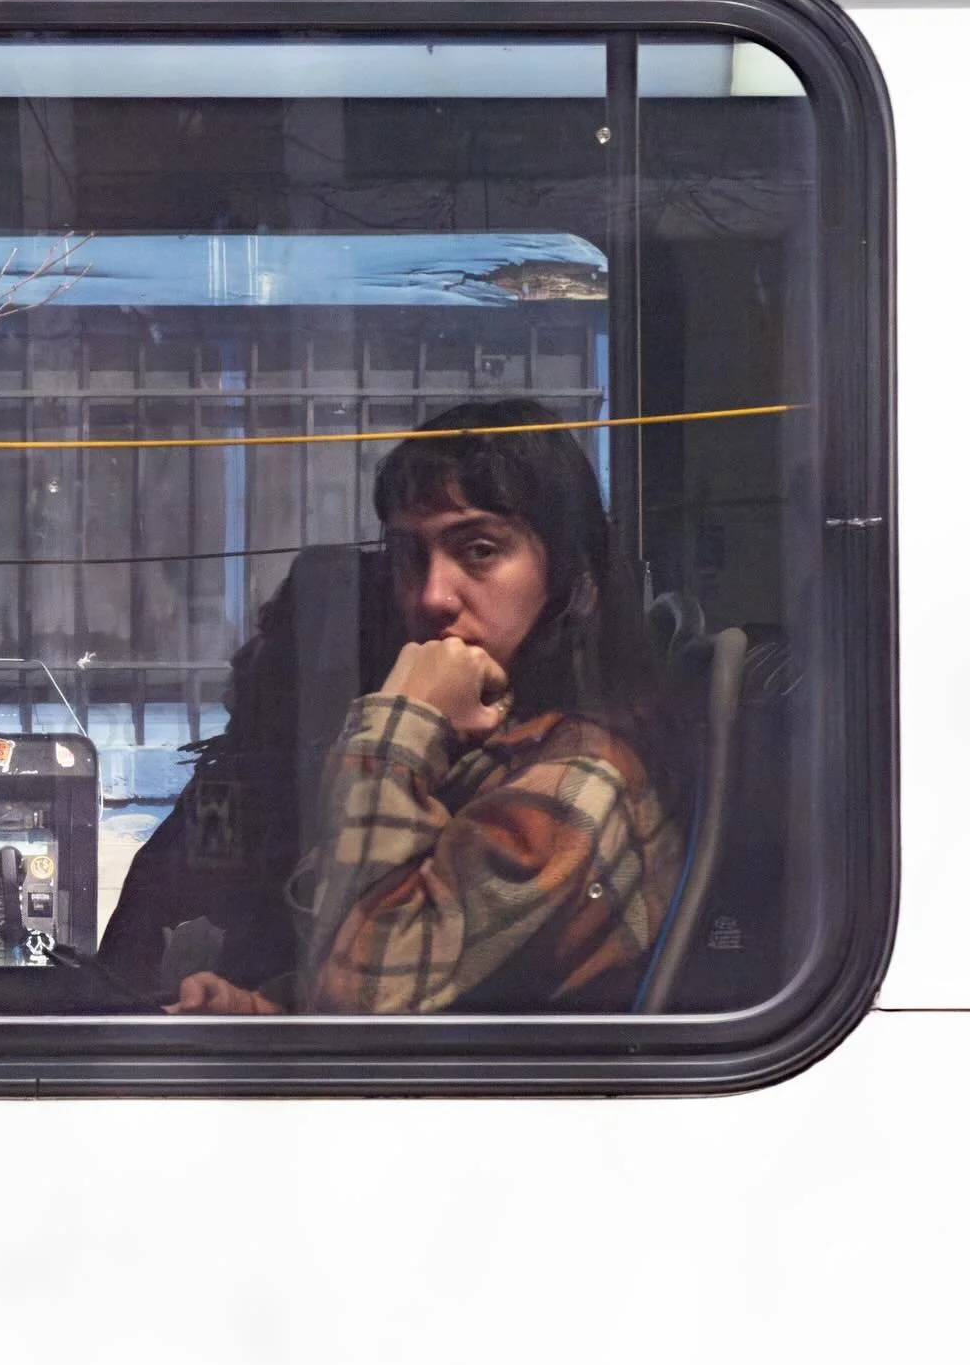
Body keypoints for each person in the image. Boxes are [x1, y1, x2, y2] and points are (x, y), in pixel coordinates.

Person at [172, 399, 683, 1015]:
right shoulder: (492, 753)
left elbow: (364, 1010)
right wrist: (258, 1014)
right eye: (411, 557)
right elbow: (397, 970)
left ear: (573, 580)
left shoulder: (577, 784)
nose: (433, 596)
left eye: (479, 550)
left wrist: (399, 727)